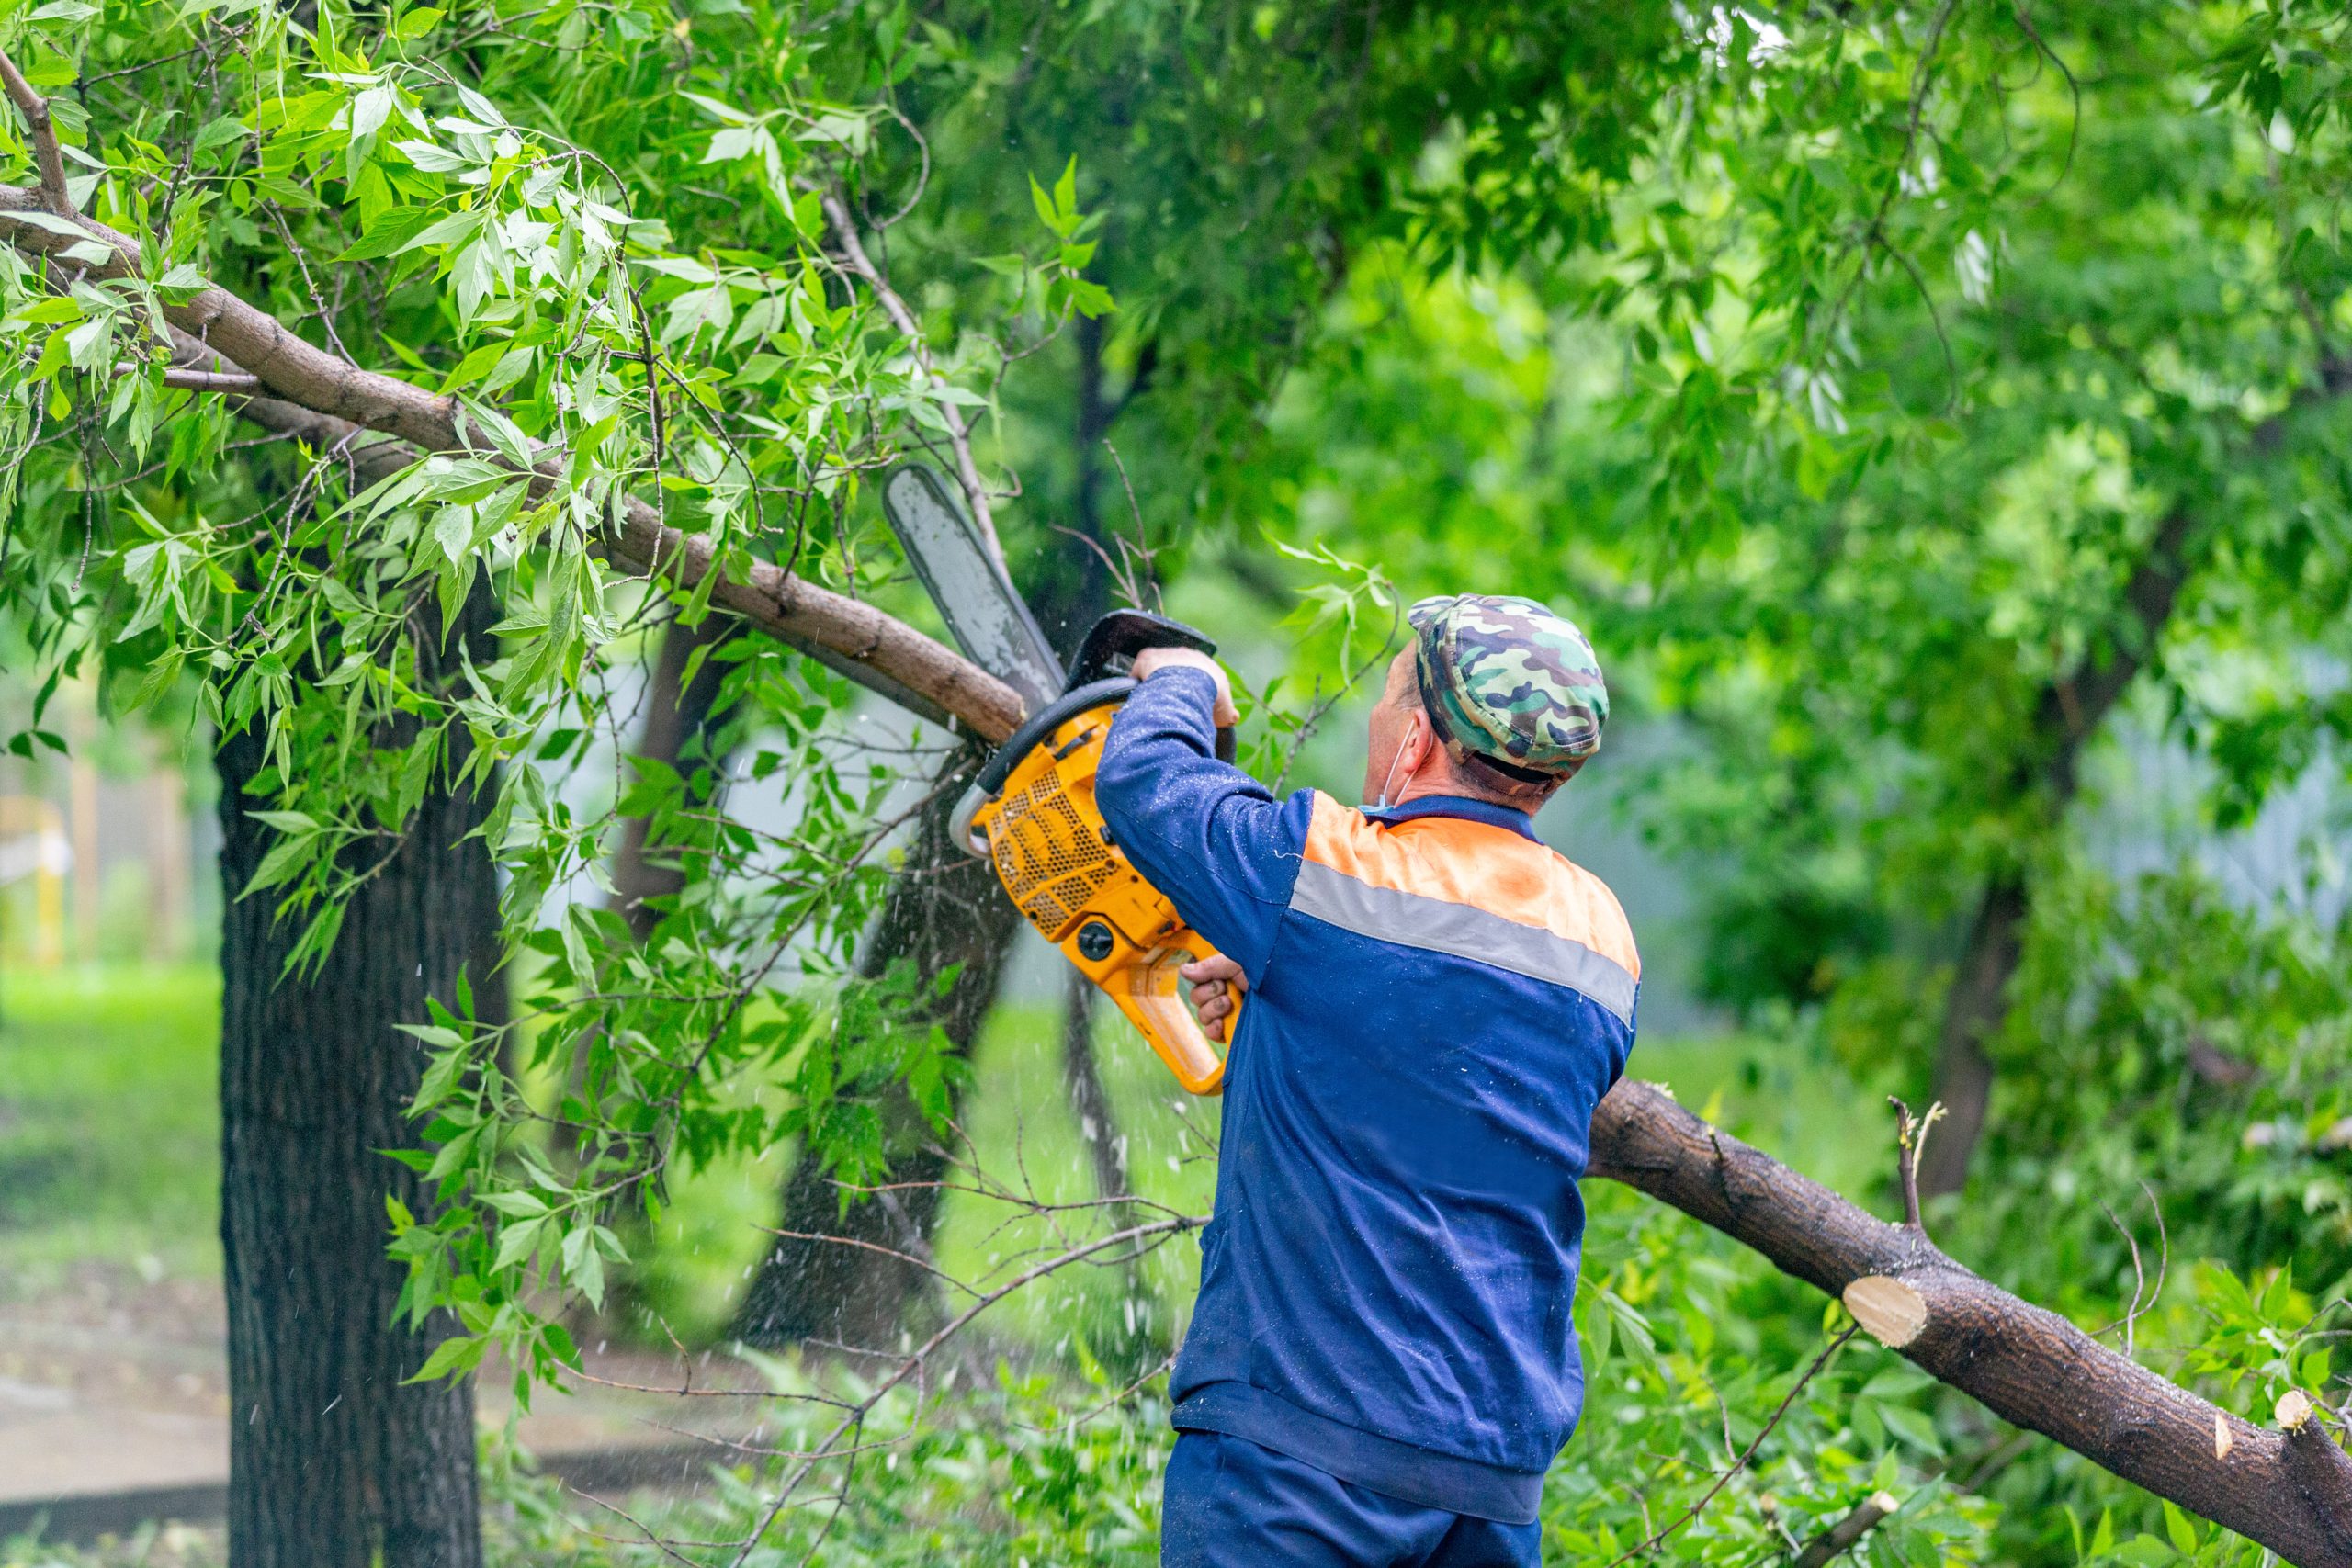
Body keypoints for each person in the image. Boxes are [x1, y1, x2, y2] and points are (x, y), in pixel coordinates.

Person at [1093, 593, 1638, 1568]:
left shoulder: (1323, 871)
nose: (1379, 719)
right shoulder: (1599, 937)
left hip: (1300, 1466)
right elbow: (1448, 1070)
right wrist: (1282, 994)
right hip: (1487, 1482)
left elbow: (1142, 779)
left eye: (1389, 697)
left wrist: (1175, 670)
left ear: (1417, 739)